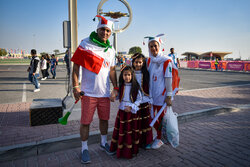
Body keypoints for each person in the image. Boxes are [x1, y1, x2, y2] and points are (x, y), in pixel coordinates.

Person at [71, 15, 118, 164]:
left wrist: (115, 88)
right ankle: (84, 148)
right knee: (86, 122)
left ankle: (103, 143)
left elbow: (112, 71)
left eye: (108, 31)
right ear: (97, 29)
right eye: (103, 30)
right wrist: (75, 87)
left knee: (104, 120)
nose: (105, 33)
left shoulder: (111, 50)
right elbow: (76, 67)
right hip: (88, 93)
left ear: (110, 33)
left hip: (104, 94)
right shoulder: (85, 43)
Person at [146, 34, 180, 149]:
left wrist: (169, 96)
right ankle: (160, 136)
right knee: (152, 118)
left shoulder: (166, 61)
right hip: (152, 96)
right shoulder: (150, 61)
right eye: (150, 46)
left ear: (159, 46)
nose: (153, 48)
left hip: (162, 96)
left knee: (160, 119)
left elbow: (168, 79)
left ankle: (160, 138)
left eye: (155, 46)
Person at [110, 65, 142, 159]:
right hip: (122, 112)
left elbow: (139, 100)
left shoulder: (135, 87)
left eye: (128, 75)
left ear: (132, 75)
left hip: (131, 113)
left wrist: (131, 107)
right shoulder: (121, 86)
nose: (127, 77)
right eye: (125, 75)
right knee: (122, 130)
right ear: (122, 76)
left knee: (130, 132)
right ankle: (121, 150)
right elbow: (118, 97)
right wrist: (113, 97)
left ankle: (130, 151)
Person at [131, 53, 153, 149]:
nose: (138, 64)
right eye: (136, 62)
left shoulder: (146, 73)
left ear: (143, 63)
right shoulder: (130, 73)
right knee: (136, 123)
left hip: (145, 101)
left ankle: (147, 141)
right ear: (133, 62)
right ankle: (137, 142)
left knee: (146, 122)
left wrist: (151, 100)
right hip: (134, 102)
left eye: (140, 62)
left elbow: (150, 87)